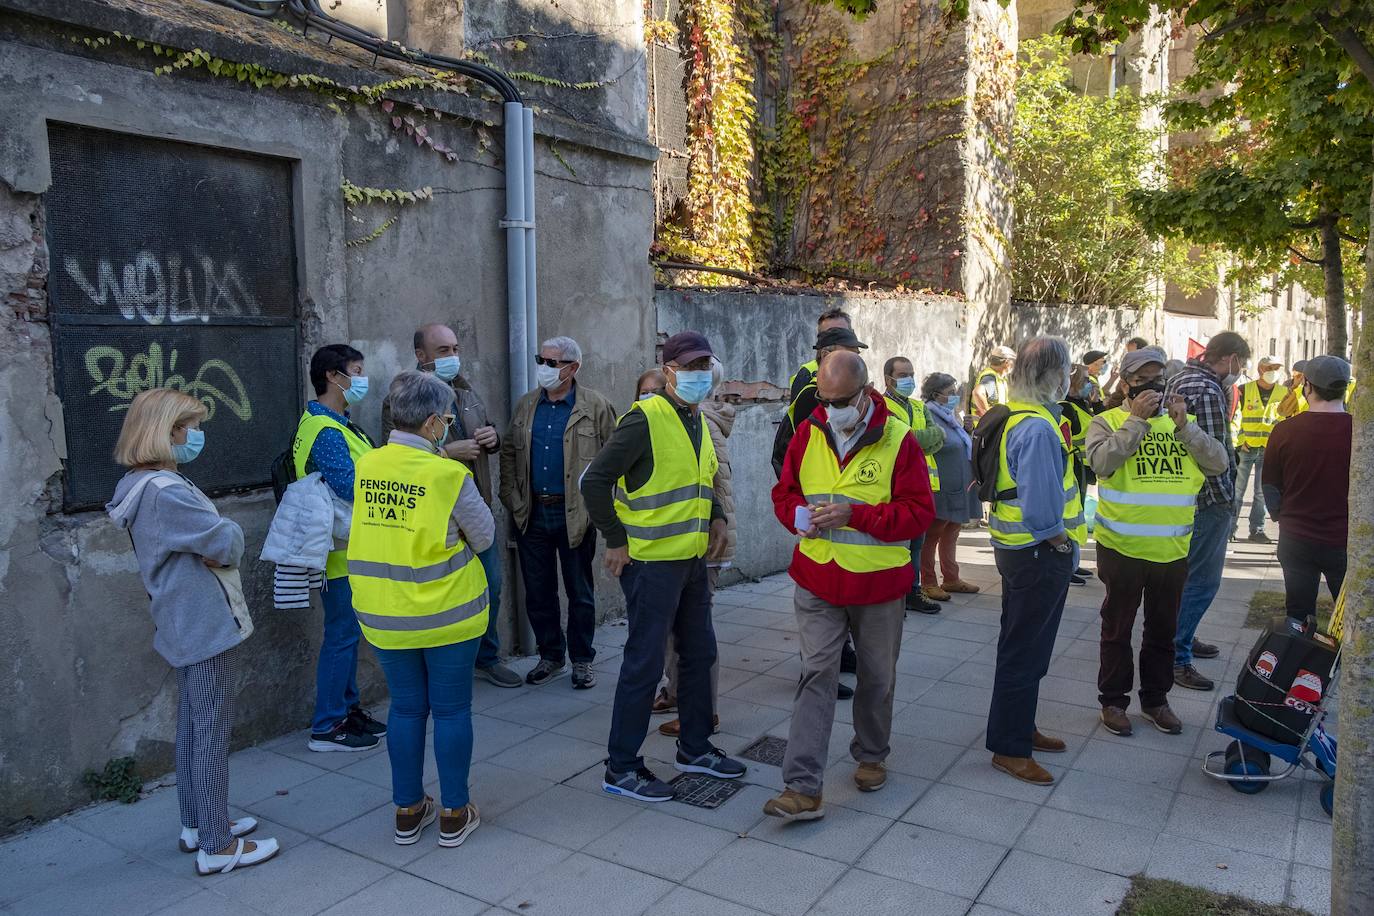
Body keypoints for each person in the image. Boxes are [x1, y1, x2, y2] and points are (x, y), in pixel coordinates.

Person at [107, 389, 279, 875]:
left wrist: (217, 537)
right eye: (188, 427)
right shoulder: (168, 491)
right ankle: (218, 846)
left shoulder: (138, 486)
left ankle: (198, 823)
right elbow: (223, 539)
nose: (195, 436)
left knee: (192, 724)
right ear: (165, 432)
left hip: (180, 618)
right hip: (201, 619)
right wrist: (230, 535)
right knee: (209, 729)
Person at [765, 351, 934, 820]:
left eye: (841, 400)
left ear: (865, 394)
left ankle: (871, 754)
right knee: (816, 674)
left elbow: (918, 514)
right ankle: (802, 787)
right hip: (818, 576)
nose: (831, 407)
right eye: (825, 398)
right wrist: (797, 518)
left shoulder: (898, 439)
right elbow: (786, 493)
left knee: (876, 677)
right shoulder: (808, 430)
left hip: (878, 585)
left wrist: (856, 514)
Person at [582, 331, 746, 801]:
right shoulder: (645, 418)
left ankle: (694, 748)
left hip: (692, 559)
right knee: (644, 663)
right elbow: (595, 482)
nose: (698, 375)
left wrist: (715, 516)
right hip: (652, 564)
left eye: (704, 366)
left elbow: (702, 477)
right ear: (669, 371)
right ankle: (622, 767)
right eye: (689, 367)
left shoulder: (696, 417)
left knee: (699, 654)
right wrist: (615, 540)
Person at [349, 371, 493, 849]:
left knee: (407, 711)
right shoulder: (448, 473)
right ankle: (454, 812)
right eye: (447, 419)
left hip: (384, 614)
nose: (449, 426)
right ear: (433, 422)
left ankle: (408, 811)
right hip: (448, 613)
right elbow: (486, 535)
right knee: (451, 711)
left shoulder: (368, 465)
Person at [1085, 347, 1228, 738]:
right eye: (1142, 378)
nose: (1152, 385)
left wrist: (1186, 428)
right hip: (1121, 549)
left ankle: (1155, 701)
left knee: (1162, 631)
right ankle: (1113, 701)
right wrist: (1135, 422)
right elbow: (1101, 464)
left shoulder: (1183, 423)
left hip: (1172, 551)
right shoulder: (1107, 421)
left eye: (1158, 377)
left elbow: (1218, 462)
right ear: (1126, 383)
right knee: (1117, 628)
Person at [383, 324, 517, 688]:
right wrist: (446, 452)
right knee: (437, 595)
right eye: (443, 350)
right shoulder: (401, 397)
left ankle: (485, 658)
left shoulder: (466, 390)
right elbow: (394, 453)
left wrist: (492, 437)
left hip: (476, 507)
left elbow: (485, 429)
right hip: (431, 518)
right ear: (421, 356)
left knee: (491, 586)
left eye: (455, 348)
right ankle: (441, 663)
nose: (452, 357)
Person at [984, 336, 1085, 786]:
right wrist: (1062, 544)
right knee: (1026, 651)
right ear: (1053, 376)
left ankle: (1019, 727)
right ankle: (1010, 748)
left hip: (1016, 551)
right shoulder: (1039, 428)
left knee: (1022, 644)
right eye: (1066, 370)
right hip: (1038, 553)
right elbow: (1043, 509)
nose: (1071, 378)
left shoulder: (1017, 416)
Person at [500, 336, 617, 688]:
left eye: (552, 363)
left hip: (576, 514)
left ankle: (582, 659)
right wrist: (512, 497)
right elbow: (508, 453)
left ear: (572, 368)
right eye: (541, 360)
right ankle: (551, 656)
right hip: (531, 512)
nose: (544, 368)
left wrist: (601, 509)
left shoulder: (595, 406)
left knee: (579, 590)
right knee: (538, 591)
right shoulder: (526, 406)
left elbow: (615, 459)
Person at [292, 345, 385, 752]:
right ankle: (327, 725)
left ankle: (347, 710)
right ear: (333, 376)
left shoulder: (336, 422)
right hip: (339, 554)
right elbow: (351, 486)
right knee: (342, 636)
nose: (362, 380)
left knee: (347, 635)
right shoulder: (325, 430)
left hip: (350, 548)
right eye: (357, 371)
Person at [1166, 331, 1251, 692]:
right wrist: (1225, 500)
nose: (1240, 371)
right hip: (1207, 498)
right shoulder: (1207, 388)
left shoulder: (1181, 377)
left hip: (1184, 495)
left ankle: (1183, 638)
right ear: (1229, 357)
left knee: (1187, 579)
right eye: (1241, 364)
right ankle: (1178, 656)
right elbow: (1215, 454)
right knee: (1202, 581)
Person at [659, 356, 735, 736]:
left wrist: (712, 531)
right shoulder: (693, 420)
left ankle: (705, 710)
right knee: (680, 628)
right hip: (693, 538)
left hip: (702, 541)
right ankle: (677, 693)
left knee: (696, 631)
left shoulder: (699, 424)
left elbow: (713, 487)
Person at [1262, 355, 1352, 627]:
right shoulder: (1360, 431)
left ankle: (1299, 666)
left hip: (1297, 537)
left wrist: (1281, 516)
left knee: (1298, 616)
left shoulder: (1284, 431)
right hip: (1345, 540)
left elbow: (1269, 485)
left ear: (1308, 387)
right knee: (1353, 617)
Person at [880, 357, 944, 614]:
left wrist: (918, 438)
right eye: (903, 374)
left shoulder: (918, 407)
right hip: (893, 485)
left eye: (912, 373)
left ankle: (912, 591)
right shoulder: (879, 405)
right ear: (888, 379)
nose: (910, 379)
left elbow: (935, 437)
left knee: (917, 541)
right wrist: (921, 438)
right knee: (897, 543)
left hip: (922, 485)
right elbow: (900, 441)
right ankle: (894, 591)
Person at [772, 324, 869, 478]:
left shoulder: (858, 389)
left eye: (858, 355)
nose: (856, 361)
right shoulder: (811, 395)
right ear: (825, 355)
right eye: (850, 354)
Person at [919, 373, 982, 601]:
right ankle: (928, 582)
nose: (955, 396)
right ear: (936, 394)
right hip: (940, 486)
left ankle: (951, 578)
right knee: (933, 534)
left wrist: (966, 430)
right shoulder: (928, 414)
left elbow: (959, 444)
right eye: (950, 392)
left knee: (952, 531)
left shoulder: (950, 415)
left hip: (958, 485)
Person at [1230, 356, 1286, 544]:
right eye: (1270, 367)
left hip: (1269, 450)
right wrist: (1241, 441)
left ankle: (1257, 530)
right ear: (1261, 369)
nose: (1274, 371)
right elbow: (1237, 417)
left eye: (1277, 368)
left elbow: (1283, 422)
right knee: (1237, 491)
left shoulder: (1284, 393)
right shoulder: (1245, 390)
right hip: (1246, 448)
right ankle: (1230, 529)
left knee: (1261, 493)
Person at [1060, 365, 1099, 586]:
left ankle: (1073, 562)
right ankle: (1068, 564)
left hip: (1083, 465)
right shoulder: (1065, 406)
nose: (1089, 384)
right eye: (1085, 380)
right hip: (1074, 465)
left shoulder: (1082, 403)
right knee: (1070, 516)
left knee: (1077, 514)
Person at [969, 344, 1016, 423]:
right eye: (1013, 362)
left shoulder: (999, 378)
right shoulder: (990, 377)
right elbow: (977, 393)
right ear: (1007, 362)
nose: (1014, 366)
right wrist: (989, 416)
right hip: (986, 430)